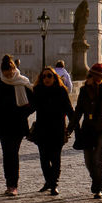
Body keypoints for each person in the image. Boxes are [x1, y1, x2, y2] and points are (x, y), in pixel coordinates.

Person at [0, 54, 35, 196]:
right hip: (3, 124)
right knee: (7, 154)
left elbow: (33, 103)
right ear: (2, 71)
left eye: (10, 70)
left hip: (18, 124)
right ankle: (10, 184)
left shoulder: (22, 82)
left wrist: (23, 113)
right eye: (5, 71)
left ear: (14, 69)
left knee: (12, 153)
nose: (8, 73)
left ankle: (13, 185)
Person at [70, 63, 102, 199]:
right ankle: (95, 180)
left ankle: (98, 187)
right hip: (87, 129)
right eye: (91, 76)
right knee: (88, 160)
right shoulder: (84, 91)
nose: (93, 79)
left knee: (97, 159)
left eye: (97, 76)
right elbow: (78, 111)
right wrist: (70, 128)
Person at [32, 66, 75, 195]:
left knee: (55, 159)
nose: (46, 78)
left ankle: (53, 184)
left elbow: (69, 110)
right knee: (44, 159)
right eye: (44, 76)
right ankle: (49, 181)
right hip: (42, 130)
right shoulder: (38, 91)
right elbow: (29, 108)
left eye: (49, 76)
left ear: (55, 77)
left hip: (57, 130)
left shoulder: (61, 91)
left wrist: (73, 126)